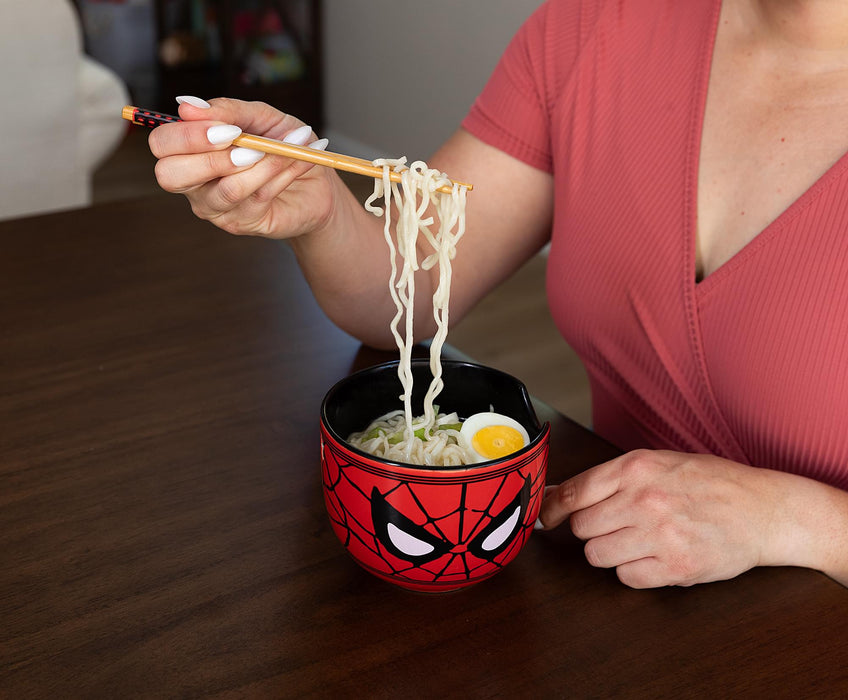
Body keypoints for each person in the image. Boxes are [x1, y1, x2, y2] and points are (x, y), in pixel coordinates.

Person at [148, 0, 848, 588]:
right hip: (620, 581)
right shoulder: (597, 24)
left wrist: (796, 521)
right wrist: (321, 208)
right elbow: (407, 293)